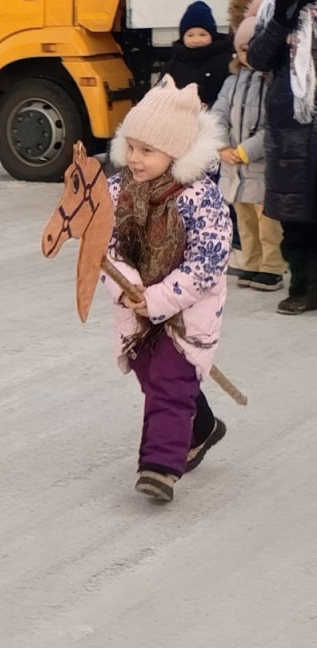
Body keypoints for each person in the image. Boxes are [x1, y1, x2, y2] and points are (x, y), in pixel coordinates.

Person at [103, 76, 232, 503]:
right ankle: (202, 426)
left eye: (147, 150)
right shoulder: (120, 189)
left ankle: (160, 467)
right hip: (135, 306)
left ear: (176, 152)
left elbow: (207, 265)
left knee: (169, 383)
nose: (135, 159)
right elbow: (104, 244)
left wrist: (157, 299)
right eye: (132, 147)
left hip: (185, 310)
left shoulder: (200, 198)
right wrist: (126, 285)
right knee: (152, 375)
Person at [248, 0, 317, 315]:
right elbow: (256, 59)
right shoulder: (276, 6)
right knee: (296, 217)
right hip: (289, 128)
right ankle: (302, 287)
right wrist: (283, 18)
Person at [213, 13, 286, 291]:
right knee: (244, 220)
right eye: (244, 50)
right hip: (234, 167)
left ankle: (272, 266)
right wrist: (222, 146)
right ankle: (252, 263)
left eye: (256, 48)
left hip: (259, 165)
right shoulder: (232, 81)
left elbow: (274, 124)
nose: (250, 55)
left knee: (268, 222)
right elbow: (218, 114)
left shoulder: (273, 81)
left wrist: (245, 150)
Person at [161, 0, 234, 107]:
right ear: (182, 37)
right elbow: (161, 93)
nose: (196, 40)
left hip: (214, 116)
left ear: (212, 35)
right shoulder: (173, 64)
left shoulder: (224, 61)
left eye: (202, 35)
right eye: (190, 35)